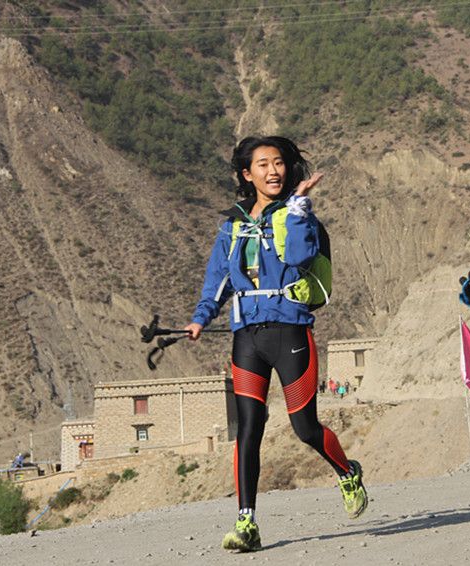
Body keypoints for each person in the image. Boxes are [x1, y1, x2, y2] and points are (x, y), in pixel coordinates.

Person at [184, 136, 368, 552]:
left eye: (279, 162)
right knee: (249, 429)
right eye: (263, 164)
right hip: (246, 338)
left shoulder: (297, 215)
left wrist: (299, 207)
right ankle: (246, 521)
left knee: (304, 428)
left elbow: (300, 258)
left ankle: (347, 472)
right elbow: (217, 282)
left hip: (290, 332)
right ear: (247, 174)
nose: (274, 171)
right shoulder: (231, 226)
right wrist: (199, 320)